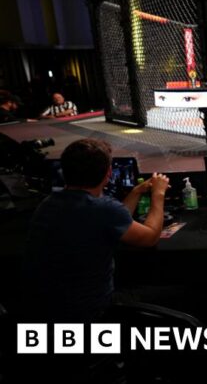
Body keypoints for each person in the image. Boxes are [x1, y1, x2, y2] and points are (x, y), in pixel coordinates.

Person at [23, 138, 169, 323]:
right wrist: (158, 194)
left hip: (45, 310)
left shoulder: (48, 203)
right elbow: (150, 237)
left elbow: (117, 221)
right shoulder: (102, 208)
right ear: (108, 173)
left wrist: (136, 192)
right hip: (91, 311)